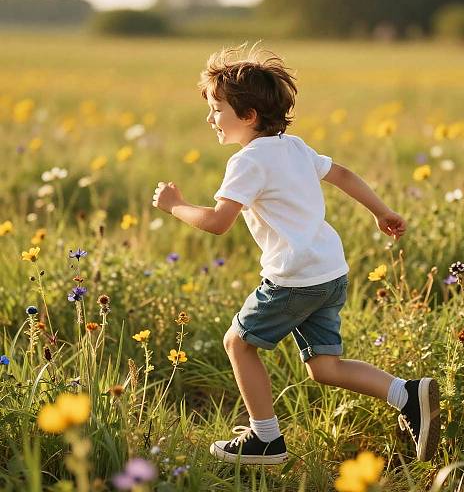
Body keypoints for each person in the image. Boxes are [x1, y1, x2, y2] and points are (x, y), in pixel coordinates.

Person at [152, 43, 440, 465]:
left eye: (216, 108)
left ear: (248, 116)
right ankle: (408, 394)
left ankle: (265, 440)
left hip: (293, 280)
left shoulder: (248, 161)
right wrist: (382, 211)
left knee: (237, 343)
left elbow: (218, 221)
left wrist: (173, 205)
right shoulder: (294, 147)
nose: (209, 117)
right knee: (324, 367)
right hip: (328, 273)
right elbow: (339, 173)